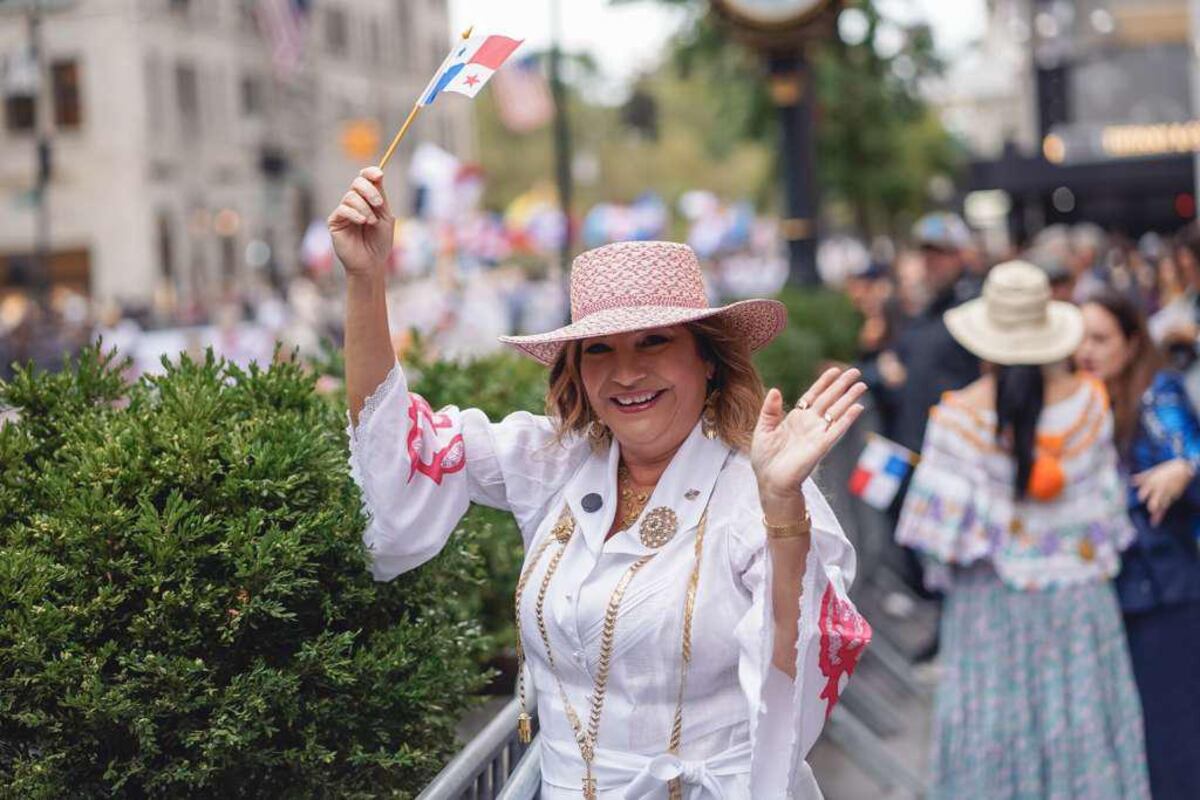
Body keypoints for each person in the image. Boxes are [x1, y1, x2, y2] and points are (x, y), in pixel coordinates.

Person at [330, 167, 872, 799]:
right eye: (598, 350)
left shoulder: (766, 491)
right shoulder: (553, 459)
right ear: (575, 369)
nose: (626, 373)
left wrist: (783, 511)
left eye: (653, 342)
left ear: (707, 357)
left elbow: (794, 678)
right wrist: (365, 282)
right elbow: (399, 447)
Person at [895, 261, 1151, 800]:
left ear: (985, 337)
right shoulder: (1090, 407)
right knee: (1084, 741)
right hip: (1079, 612)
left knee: (994, 748)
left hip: (990, 615)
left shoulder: (957, 420)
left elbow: (937, 551)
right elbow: (1110, 521)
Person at [1076, 292, 1200, 800]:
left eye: (1100, 339)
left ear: (1131, 344)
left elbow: (1186, 454)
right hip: (1102, 594)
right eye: (1079, 338)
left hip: (1160, 592)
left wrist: (1185, 468)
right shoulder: (1076, 399)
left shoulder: (1155, 394)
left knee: (1170, 734)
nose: (1087, 350)